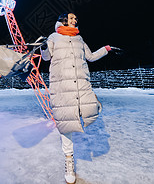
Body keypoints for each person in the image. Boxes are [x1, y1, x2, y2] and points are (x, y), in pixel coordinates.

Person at [40, 12, 112, 184]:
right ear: (63, 20)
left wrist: (106, 49)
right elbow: (46, 57)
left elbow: (91, 57)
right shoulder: (54, 37)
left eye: (76, 19)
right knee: (66, 124)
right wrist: (43, 45)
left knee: (90, 109)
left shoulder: (79, 39)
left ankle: (94, 104)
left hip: (81, 84)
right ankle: (69, 160)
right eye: (72, 18)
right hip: (62, 87)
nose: (75, 20)